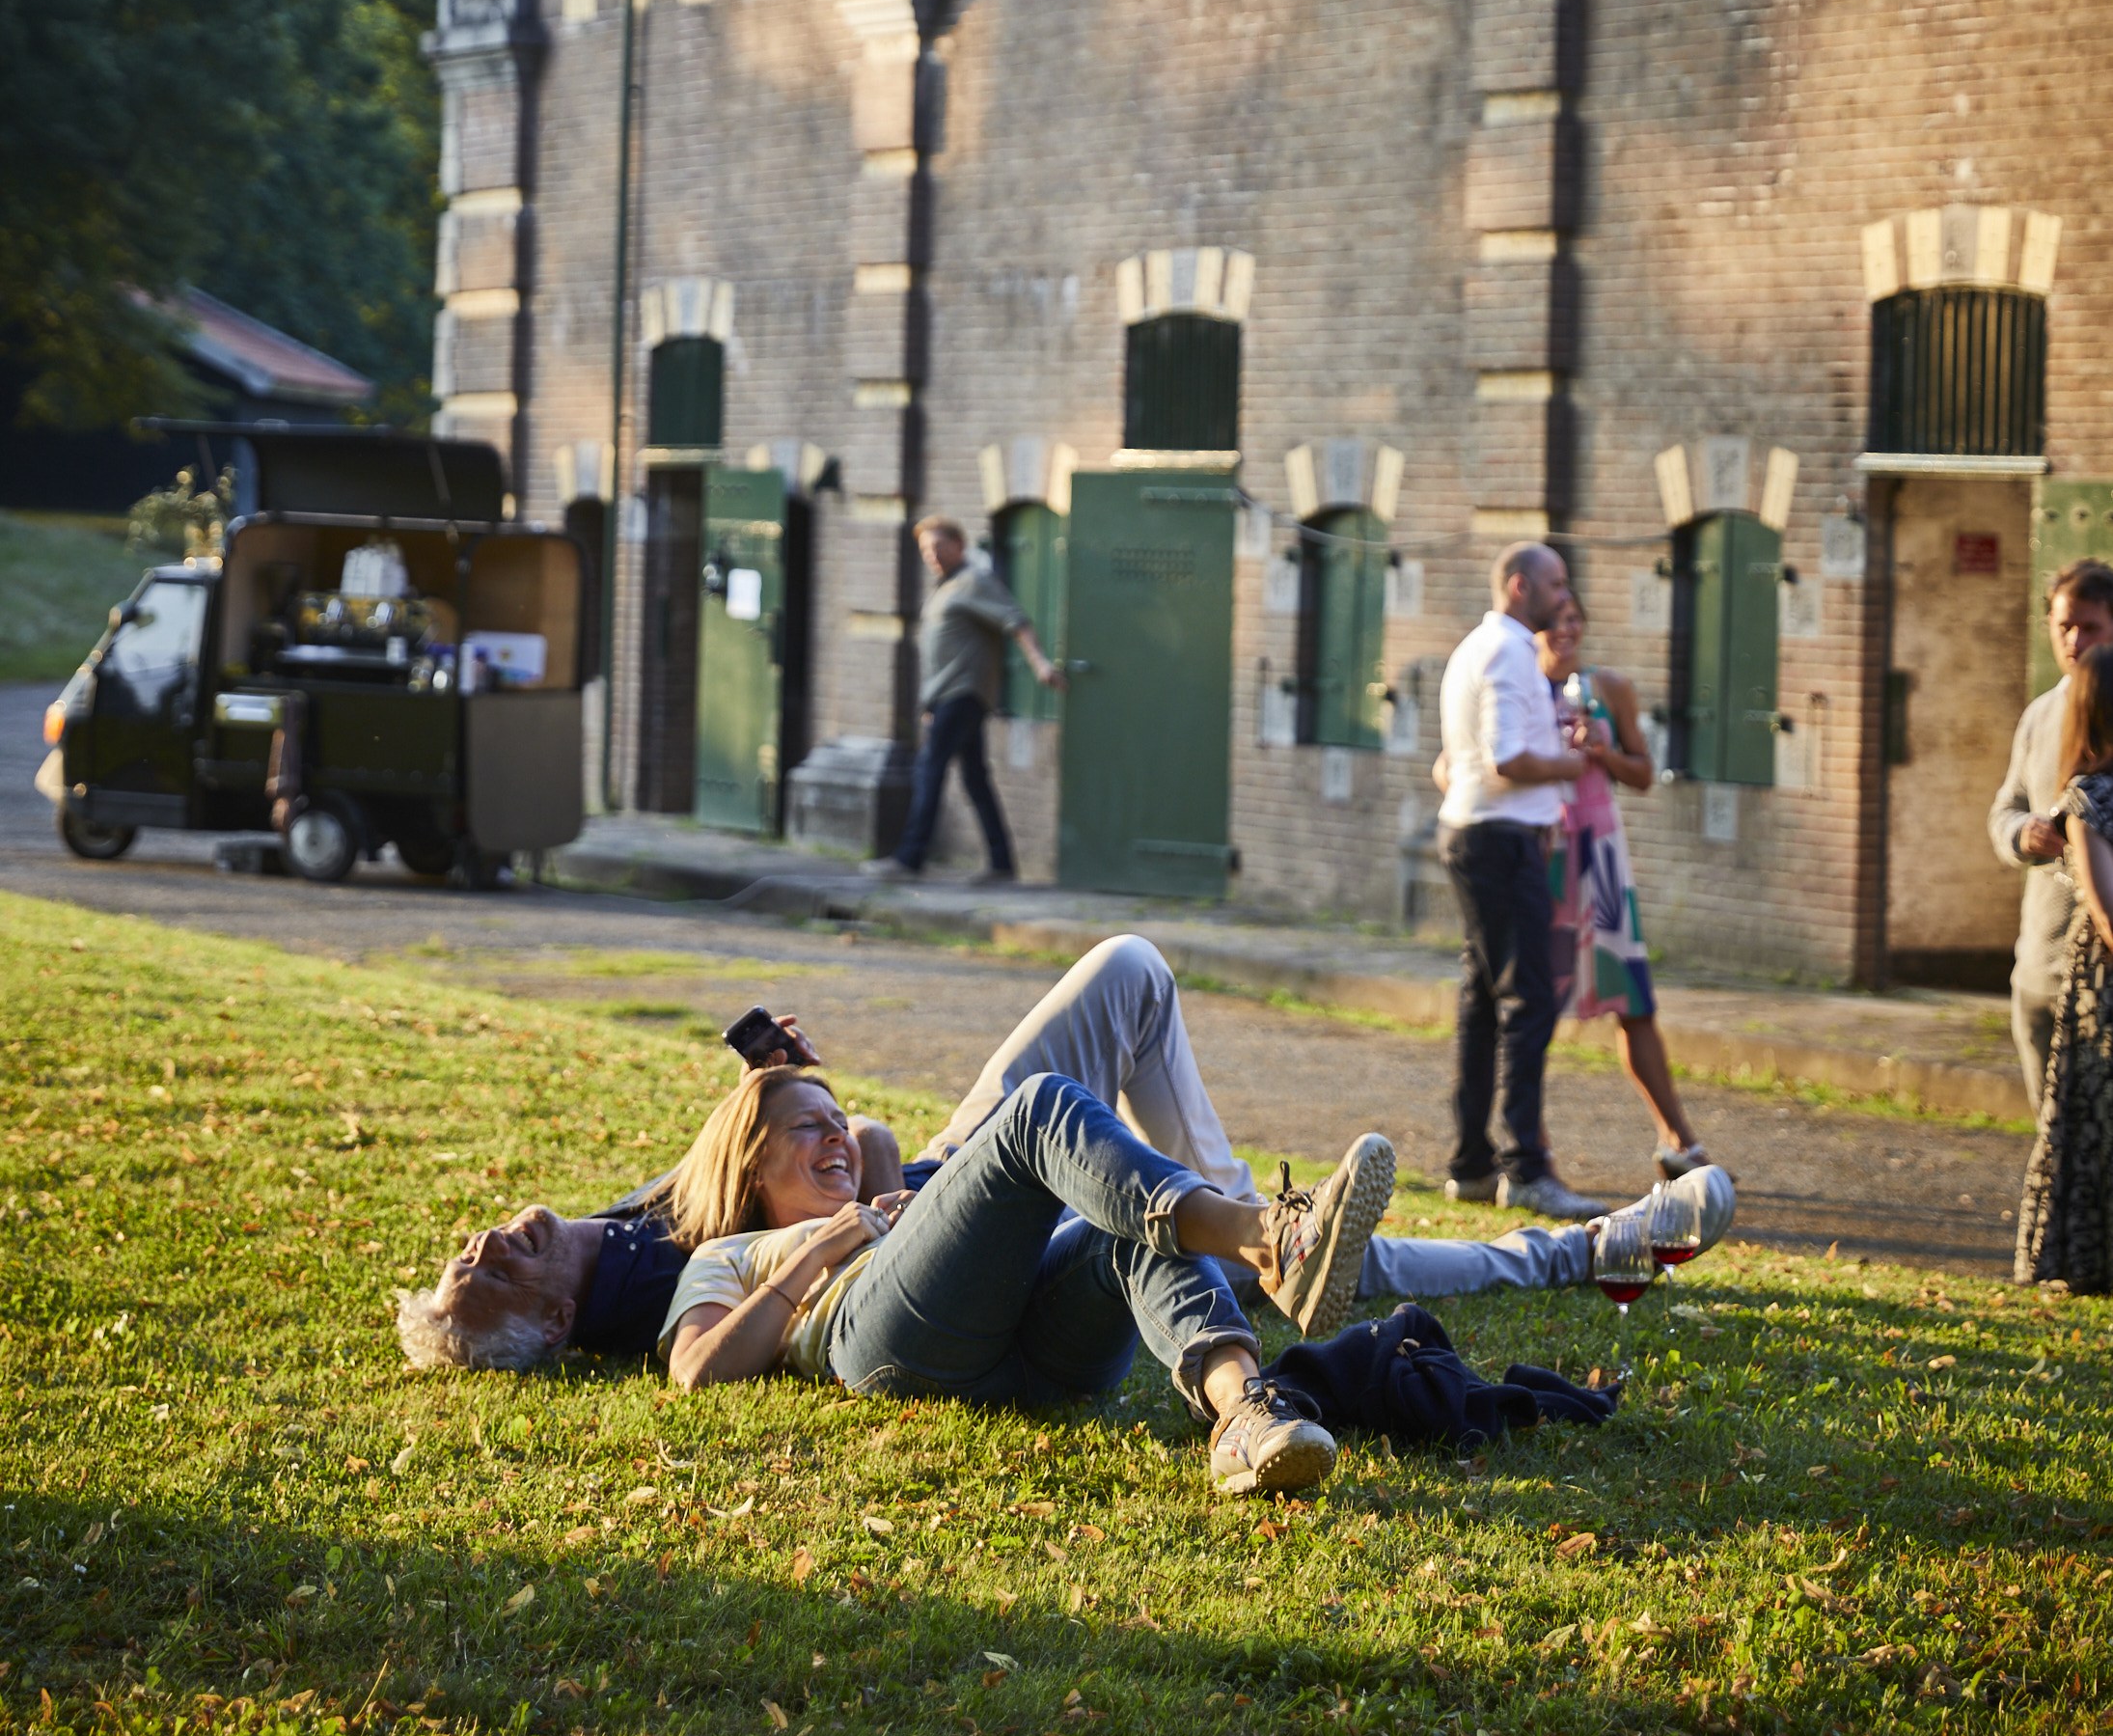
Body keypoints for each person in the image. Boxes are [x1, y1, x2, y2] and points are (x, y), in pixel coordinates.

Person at [396, 932, 1736, 1368]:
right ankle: (1578, 1250)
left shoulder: (610, 1222)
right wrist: (824, 1225)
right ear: (556, 1315)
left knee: (1131, 971)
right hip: (953, 1219)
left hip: (930, 1174)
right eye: (489, 1279)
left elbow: (858, 1140)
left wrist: (806, 1116)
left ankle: (1254, 1232)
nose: (482, 1244)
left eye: (463, 1251)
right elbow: (713, 1352)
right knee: (1113, 1151)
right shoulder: (632, 1294)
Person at [655, 1065, 1393, 1495]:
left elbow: (875, 1137)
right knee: (1039, 1103)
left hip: (1029, 1353)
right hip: (888, 1346)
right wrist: (823, 1247)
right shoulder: (733, 1252)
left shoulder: (869, 1187)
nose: (835, 1137)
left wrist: (903, 1213)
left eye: (836, 1121)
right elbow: (695, 1370)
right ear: (751, 1160)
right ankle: (1267, 1238)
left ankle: (1243, 1416)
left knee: (1126, 1225)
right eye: (806, 1127)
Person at [1435, 539, 1606, 1222]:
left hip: (1480, 835)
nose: (1564, 596)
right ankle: (1525, 1167)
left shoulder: (1480, 646)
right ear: (1517, 586)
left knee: (1483, 1002)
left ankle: (1472, 1162)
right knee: (1528, 998)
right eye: (1554, 583)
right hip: (1499, 841)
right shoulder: (1506, 651)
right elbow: (1507, 758)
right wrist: (1573, 764)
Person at [1537, 592, 1712, 1179]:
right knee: (1536, 1010)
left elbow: (1642, 775)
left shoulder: (1608, 688)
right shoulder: (1518, 690)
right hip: (1548, 859)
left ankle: (1679, 1143)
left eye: (1574, 620)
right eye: (1555, 622)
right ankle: (1533, 1156)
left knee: (1633, 1001)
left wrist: (1606, 753)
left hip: (1604, 860)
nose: (1567, 631)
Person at [1989, 560, 2113, 1111]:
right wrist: (2023, 834)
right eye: (2064, 626)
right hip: (2040, 967)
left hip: (2104, 977)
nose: (2074, 640)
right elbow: (2004, 811)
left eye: (2089, 627)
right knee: (2053, 1142)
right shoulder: (2040, 714)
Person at [875, 514, 1059, 885]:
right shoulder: (945, 587)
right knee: (976, 778)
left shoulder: (974, 581)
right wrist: (929, 706)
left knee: (929, 769)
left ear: (959, 545)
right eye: (926, 548)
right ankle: (1002, 863)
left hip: (964, 695)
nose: (932, 554)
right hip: (946, 697)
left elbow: (1015, 620)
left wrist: (1039, 663)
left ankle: (910, 859)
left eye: (939, 546)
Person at [2015, 645, 2113, 1288]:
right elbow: (2107, 910)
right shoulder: (2088, 795)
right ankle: (2085, 1262)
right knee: (2093, 1121)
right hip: (2104, 984)